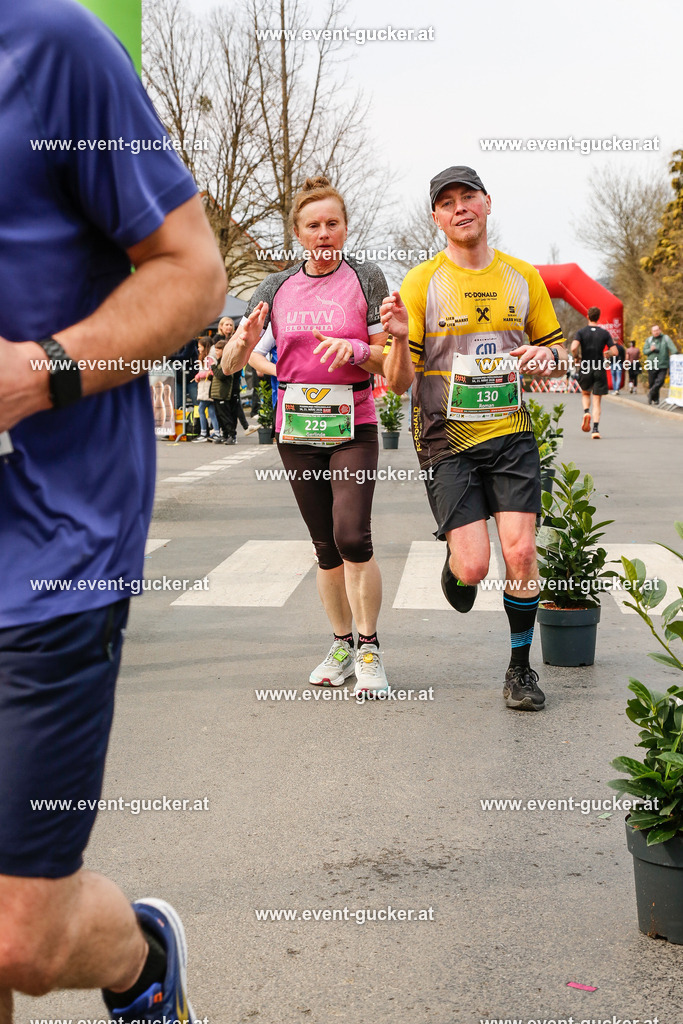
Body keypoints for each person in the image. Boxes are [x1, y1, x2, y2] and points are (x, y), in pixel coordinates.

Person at [0, 3, 226, 1022]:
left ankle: (140, 962)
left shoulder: (51, 48)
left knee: (19, 939)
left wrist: (38, 373)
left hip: (50, 542)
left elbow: (193, 272)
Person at [380, 165, 568, 712]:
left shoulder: (522, 276)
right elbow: (397, 384)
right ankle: (456, 563)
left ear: (488, 203)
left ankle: (519, 670)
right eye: (448, 202)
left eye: (469, 197)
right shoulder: (421, 283)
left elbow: (559, 354)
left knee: (522, 551)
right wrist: (395, 342)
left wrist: (546, 355)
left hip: (509, 433)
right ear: (436, 218)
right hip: (446, 437)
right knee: (474, 568)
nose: (460, 207)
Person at [221, 175, 391, 695]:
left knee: (352, 536)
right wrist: (246, 345)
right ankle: (341, 643)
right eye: (313, 226)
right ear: (297, 234)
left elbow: (389, 358)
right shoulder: (275, 289)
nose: (324, 234)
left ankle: (369, 651)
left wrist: (359, 351)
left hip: (352, 424)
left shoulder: (366, 279)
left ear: (344, 228)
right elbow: (230, 365)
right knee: (325, 547)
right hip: (295, 429)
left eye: (332, 224)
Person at [570, 307, 618, 439]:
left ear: (587, 316)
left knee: (585, 393)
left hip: (585, 366)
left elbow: (573, 347)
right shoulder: (604, 333)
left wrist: (576, 356)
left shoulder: (581, 332)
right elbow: (615, 352)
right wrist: (606, 353)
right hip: (599, 367)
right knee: (597, 400)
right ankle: (595, 430)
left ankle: (586, 412)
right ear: (598, 317)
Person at [192, 336, 220, 442]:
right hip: (207, 387)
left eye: (200, 347)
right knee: (211, 411)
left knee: (201, 409)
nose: (198, 349)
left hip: (206, 387)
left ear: (205, 347)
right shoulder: (209, 357)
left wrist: (199, 375)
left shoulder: (209, 358)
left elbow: (210, 372)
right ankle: (216, 431)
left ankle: (204, 432)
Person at [644, 325, 678, 405]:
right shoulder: (649, 340)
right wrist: (650, 349)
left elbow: (673, 349)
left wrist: (676, 355)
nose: (656, 332)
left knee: (660, 381)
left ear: (660, 330)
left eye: (657, 330)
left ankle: (651, 393)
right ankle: (655, 399)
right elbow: (645, 351)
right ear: (652, 332)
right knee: (652, 382)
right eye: (654, 331)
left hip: (663, 364)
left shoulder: (665, 338)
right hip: (652, 364)